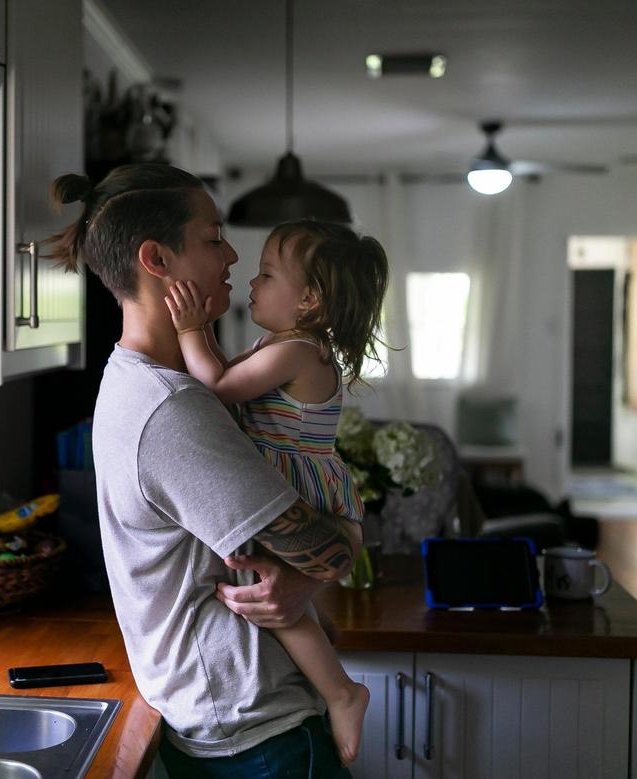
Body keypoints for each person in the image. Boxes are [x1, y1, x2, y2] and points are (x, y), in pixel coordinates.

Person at [44, 163, 362, 777]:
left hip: (219, 714)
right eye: (213, 238)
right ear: (157, 259)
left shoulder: (136, 380)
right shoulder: (173, 410)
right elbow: (323, 553)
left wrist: (305, 577)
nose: (233, 255)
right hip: (256, 732)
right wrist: (340, 542)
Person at [164, 220, 390, 765]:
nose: (252, 280)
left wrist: (191, 328)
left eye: (267, 274)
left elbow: (218, 387)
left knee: (276, 604)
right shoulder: (280, 344)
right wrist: (201, 333)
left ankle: (342, 693)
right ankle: (324, 644)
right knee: (284, 600)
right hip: (289, 480)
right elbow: (225, 376)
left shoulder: (300, 351)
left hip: (297, 487)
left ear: (308, 299)